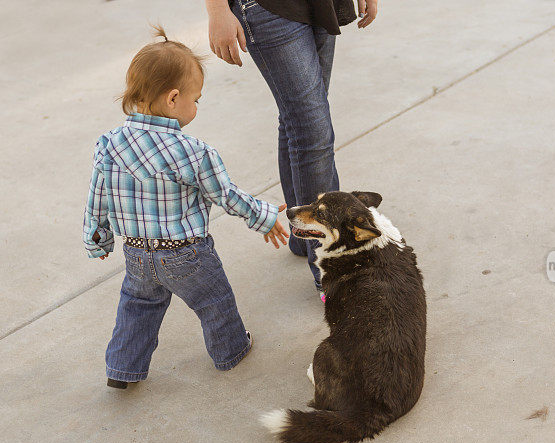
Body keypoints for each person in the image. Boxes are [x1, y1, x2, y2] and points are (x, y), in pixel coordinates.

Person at [82, 27, 289, 389]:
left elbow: (98, 196)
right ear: (173, 98)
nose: (196, 106)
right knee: (214, 301)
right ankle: (231, 351)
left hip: (136, 254)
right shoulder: (193, 151)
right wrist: (265, 216)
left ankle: (122, 368)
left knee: (137, 307)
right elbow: (226, 195)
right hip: (186, 254)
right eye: (197, 99)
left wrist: (98, 238)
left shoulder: (109, 144)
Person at [205, 0, 379, 300]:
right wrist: (218, 11)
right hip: (266, 7)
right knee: (312, 131)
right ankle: (333, 269)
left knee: (299, 122)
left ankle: (304, 234)